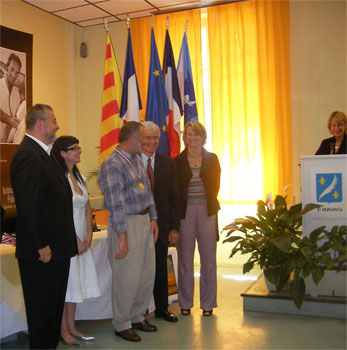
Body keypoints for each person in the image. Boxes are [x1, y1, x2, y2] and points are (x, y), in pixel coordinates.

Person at [10, 104, 77, 349]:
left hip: (57, 249)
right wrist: (41, 244)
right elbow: (28, 206)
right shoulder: (27, 155)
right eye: (53, 121)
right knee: (42, 314)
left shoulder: (44, 154)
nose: (57, 125)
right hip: (43, 252)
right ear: (39, 123)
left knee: (52, 311)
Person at [97, 121, 159, 343]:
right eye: (143, 139)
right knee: (127, 276)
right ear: (132, 139)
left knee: (145, 274)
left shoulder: (136, 159)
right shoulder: (112, 165)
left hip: (143, 222)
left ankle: (137, 315)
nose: (146, 142)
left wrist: (153, 218)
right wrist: (122, 237)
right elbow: (115, 204)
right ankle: (122, 323)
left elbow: (148, 191)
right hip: (126, 224)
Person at [51, 136, 101, 346]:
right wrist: (75, 240)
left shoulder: (78, 177)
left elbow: (87, 208)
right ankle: (63, 330)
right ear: (62, 153)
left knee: (76, 285)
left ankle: (72, 326)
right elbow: (59, 214)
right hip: (66, 240)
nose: (79, 151)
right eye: (74, 149)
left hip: (83, 239)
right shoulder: (58, 178)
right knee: (67, 286)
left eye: (79, 147)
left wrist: (88, 235)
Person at [175, 121, 221, 317]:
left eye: (195, 134)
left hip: (207, 211)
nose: (191, 138)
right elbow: (175, 190)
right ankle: (185, 303)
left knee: (208, 260)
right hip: (185, 214)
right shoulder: (177, 161)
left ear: (203, 137)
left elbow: (216, 186)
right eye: (188, 134)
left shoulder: (212, 159)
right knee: (185, 260)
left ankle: (208, 304)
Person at [141, 121, 180, 323]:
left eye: (155, 137)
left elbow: (175, 197)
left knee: (160, 268)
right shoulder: (132, 162)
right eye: (147, 137)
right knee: (140, 270)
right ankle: (139, 312)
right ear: (139, 139)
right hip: (139, 226)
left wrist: (174, 227)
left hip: (162, 226)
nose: (152, 141)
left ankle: (162, 308)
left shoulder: (168, 163)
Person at [0, 53, 22, 143]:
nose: (13, 74)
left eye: (16, 72)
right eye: (12, 69)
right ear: (6, 68)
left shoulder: (17, 93)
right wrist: (8, 119)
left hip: (8, 141)